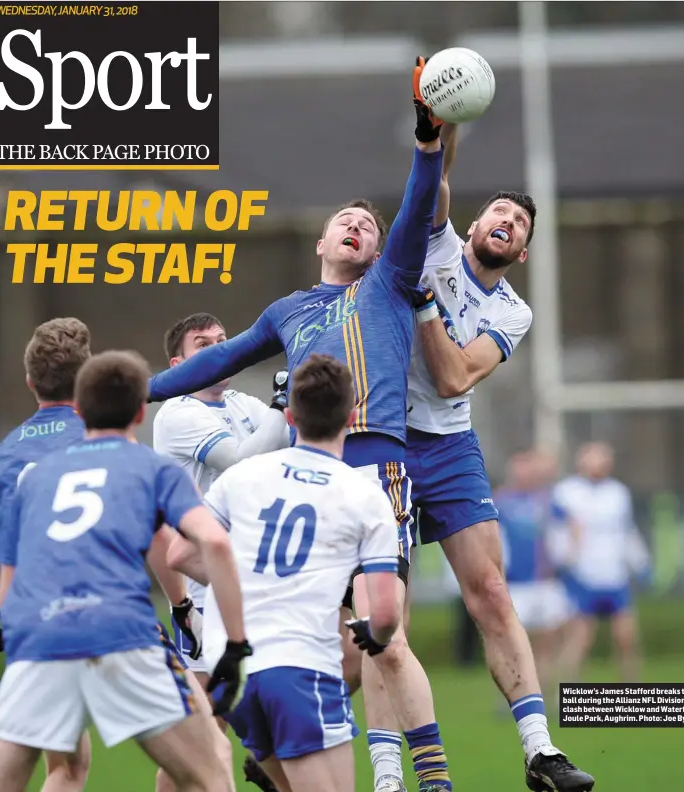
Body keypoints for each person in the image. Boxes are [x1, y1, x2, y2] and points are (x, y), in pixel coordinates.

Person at [148, 64, 452, 792]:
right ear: (321, 239)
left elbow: (416, 206)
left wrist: (427, 140)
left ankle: (429, 779)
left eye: (369, 227)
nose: (359, 226)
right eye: (346, 220)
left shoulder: (387, 282)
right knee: (314, 638)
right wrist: (134, 392)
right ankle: (277, 752)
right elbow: (217, 358)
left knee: (385, 635)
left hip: (373, 461)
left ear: (381, 251)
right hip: (302, 470)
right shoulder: (288, 310)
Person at [405, 101, 594, 790]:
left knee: (489, 591)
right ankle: (347, 759)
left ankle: (541, 753)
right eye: (497, 214)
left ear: (520, 252)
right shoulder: (437, 246)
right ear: (475, 224)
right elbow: (435, 184)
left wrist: (423, 306)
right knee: (379, 621)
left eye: (518, 226)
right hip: (386, 439)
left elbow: (455, 377)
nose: (506, 223)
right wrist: (438, 126)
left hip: (449, 445)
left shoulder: (513, 309)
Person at [0, 350, 252, 792]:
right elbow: (213, 541)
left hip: (40, 636)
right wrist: (235, 642)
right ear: (139, 412)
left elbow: (9, 585)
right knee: (212, 770)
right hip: (122, 633)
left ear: (82, 408)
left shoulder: (35, 478)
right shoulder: (153, 468)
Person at [166, 354, 401, 792]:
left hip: (231, 671)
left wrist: (243, 583)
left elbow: (180, 553)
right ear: (352, 416)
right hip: (299, 669)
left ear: (290, 417)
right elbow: (385, 615)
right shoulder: (365, 494)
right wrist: (378, 636)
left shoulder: (243, 475)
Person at [153, 311, 293, 792]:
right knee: (203, 732)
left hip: (249, 574)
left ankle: (267, 761)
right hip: (204, 579)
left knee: (229, 718)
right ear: (178, 365)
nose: (218, 347)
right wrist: (282, 403)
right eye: (203, 344)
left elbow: (286, 443)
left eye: (223, 340)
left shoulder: (240, 402)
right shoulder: (177, 411)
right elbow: (241, 459)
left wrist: (283, 410)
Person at [0, 318, 93, 792]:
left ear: (31, 381)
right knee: (68, 767)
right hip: (93, 618)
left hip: (23, 617)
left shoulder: (2, 453)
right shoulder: (103, 443)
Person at [553, 442, 650, 683]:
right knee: (580, 638)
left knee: (626, 637)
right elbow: (556, 531)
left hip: (614, 574)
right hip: (582, 574)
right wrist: (564, 560)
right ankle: (565, 691)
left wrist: (641, 562)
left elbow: (626, 531)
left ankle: (631, 687)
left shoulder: (618, 493)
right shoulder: (566, 492)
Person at [496, 450, 574, 709]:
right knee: (511, 645)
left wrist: (567, 555)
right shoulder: (500, 501)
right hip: (516, 583)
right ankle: (510, 697)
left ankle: (545, 696)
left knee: (546, 642)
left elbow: (572, 523)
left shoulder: (546, 499)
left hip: (544, 582)